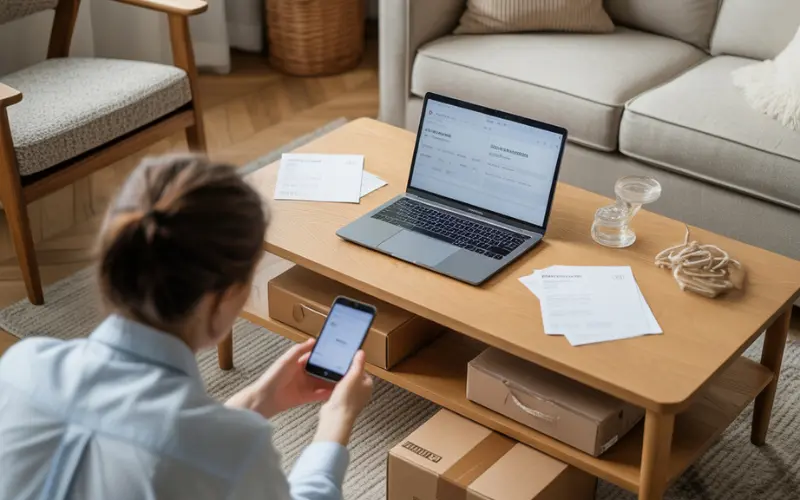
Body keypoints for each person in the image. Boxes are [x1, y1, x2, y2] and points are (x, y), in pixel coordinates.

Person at [0, 155, 373, 500]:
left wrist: (259, 401)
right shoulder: (234, 452)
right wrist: (335, 424)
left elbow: (154, 437)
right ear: (223, 297)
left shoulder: (21, 366)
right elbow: (187, 450)